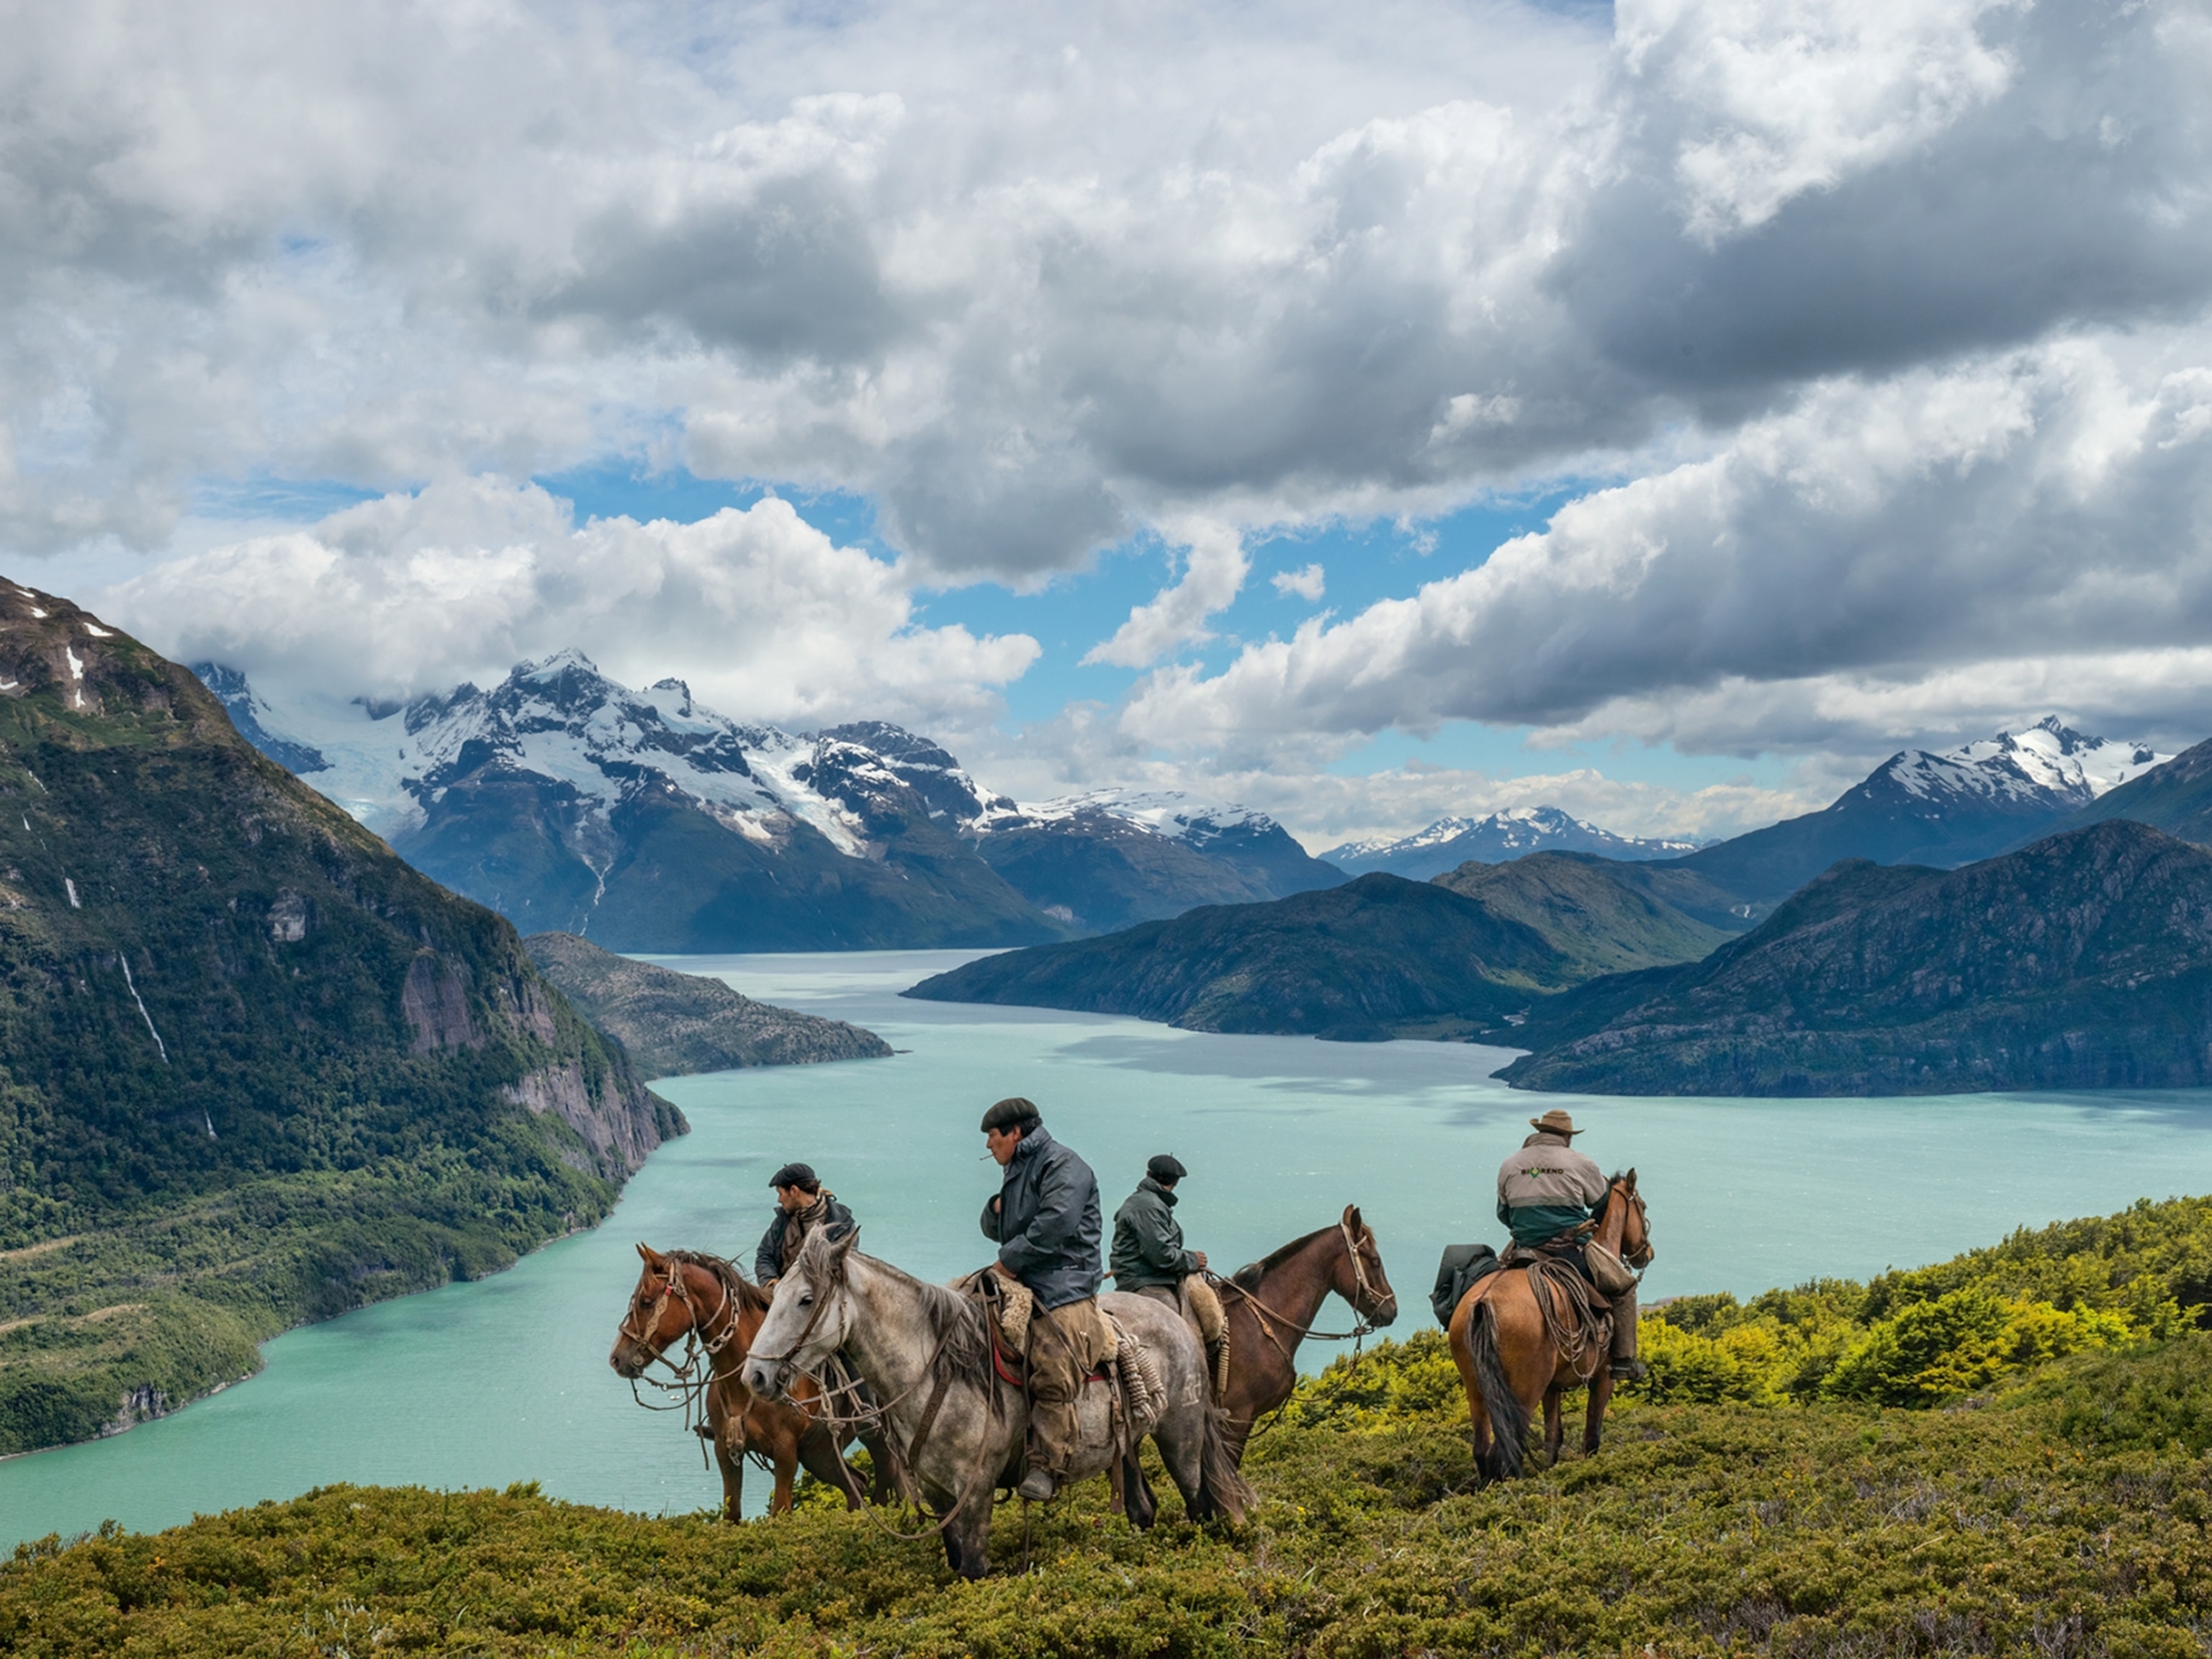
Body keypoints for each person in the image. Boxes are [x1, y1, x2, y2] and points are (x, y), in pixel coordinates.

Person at [979, 1096, 1103, 1501]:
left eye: (993, 1136)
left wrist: (1009, 1262)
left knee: (1051, 1364)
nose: (988, 1145)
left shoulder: (1063, 1164)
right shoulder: (1019, 1167)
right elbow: (999, 1228)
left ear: (1016, 1133)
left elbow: (1058, 1223)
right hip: (1026, 1275)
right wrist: (996, 1209)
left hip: (1064, 1282)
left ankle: (1047, 1465)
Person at [1495, 1108, 1642, 1382]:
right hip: (1569, 1247)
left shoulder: (1509, 1164)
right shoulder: (1581, 1162)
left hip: (1523, 1247)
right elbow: (1600, 1203)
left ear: (1539, 1132)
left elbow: (1503, 1214)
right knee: (1625, 1287)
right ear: (1567, 1136)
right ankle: (1624, 1360)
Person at [1110, 1154, 1228, 1397]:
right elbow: (1161, 1255)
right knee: (1178, 1332)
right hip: (1147, 1281)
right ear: (1174, 1182)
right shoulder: (1148, 1205)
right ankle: (1191, 1382)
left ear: (1148, 1175)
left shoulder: (1149, 1201)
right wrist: (1193, 1259)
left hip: (1148, 1274)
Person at [754, 1163, 854, 1290]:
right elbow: (765, 1255)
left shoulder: (842, 1223)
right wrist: (771, 1282)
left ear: (794, 1191)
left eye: (780, 1194)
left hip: (823, 1297)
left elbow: (842, 1266)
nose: (779, 1200)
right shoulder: (783, 1219)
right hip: (781, 1294)